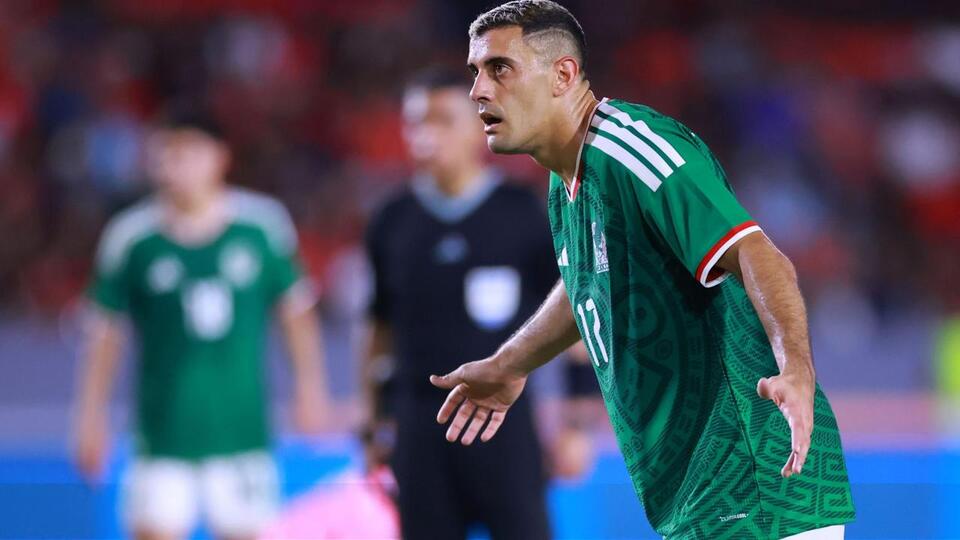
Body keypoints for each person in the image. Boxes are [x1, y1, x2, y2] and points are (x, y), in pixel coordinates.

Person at [429, 2, 857, 539]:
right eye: (475, 72)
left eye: (500, 69)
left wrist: (795, 368)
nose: (478, 90)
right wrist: (509, 363)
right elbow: (587, 286)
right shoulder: (567, 183)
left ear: (563, 74)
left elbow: (758, 253)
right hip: (699, 494)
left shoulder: (630, 149)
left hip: (755, 480)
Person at [72, 115, 330, 540]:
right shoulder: (133, 237)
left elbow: (296, 313)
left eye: (189, 152)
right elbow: (105, 331)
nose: (178, 165)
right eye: (168, 154)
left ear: (220, 157)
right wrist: (90, 415)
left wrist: (310, 388)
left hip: (242, 434)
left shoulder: (261, 226)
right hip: (161, 436)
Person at [363, 67, 564, 540]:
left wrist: (574, 418)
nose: (426, 135)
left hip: (504, 421)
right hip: (420, 426)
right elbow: (379, 329)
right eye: (416, 122)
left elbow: (569, 309)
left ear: (479, 125)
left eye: (442, 120)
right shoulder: (392, 219)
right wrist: (373, 421)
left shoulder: (523, 211)